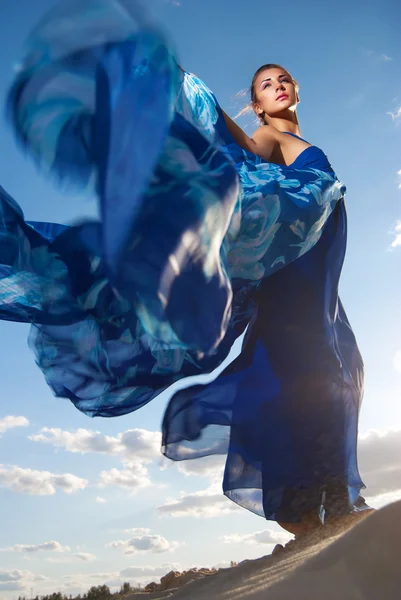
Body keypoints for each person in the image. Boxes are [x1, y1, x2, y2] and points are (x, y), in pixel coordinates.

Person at [0, 0, 371, 538]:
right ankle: (319, 505)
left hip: (318, 275)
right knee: (307, 364)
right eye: (267, 84)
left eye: (284, 78)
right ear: (257, 103)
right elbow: (238, 148)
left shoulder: (301, 139)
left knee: (337, 365)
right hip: (293, 270)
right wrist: (182, 83)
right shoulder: (268, 138)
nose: (279, 84)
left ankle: (325, 498)